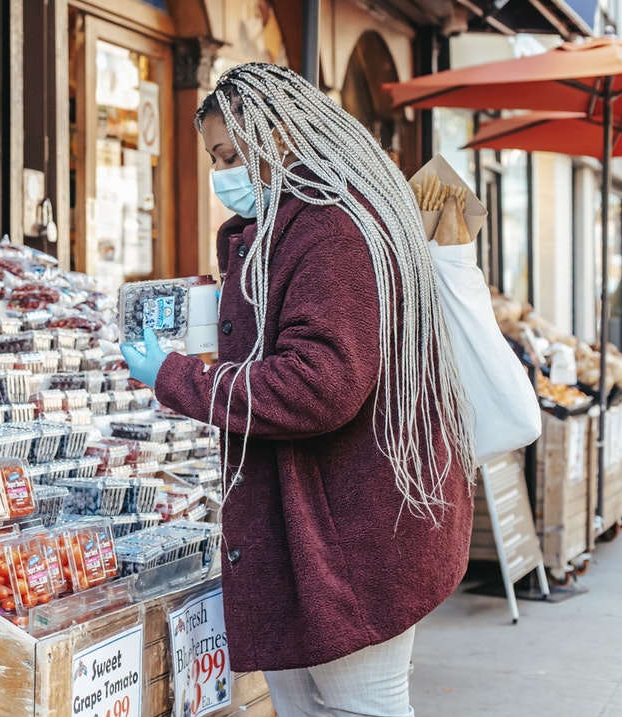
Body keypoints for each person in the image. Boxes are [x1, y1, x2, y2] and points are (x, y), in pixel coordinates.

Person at [122, 63, 474, 717]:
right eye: (214, 157)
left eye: (230, 153)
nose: (221, 171)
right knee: (312, 702)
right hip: (327, 523)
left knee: (357, 701)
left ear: (279, 136)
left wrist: (181, 378)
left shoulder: (332, 230)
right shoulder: (296, 225)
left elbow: (320, 383)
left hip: (355, 531)